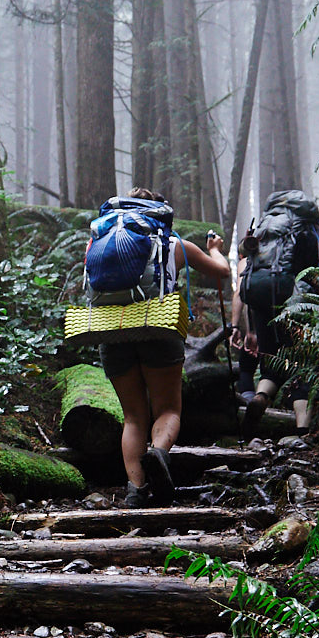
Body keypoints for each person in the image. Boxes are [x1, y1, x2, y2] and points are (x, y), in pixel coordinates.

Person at [93, 190, 230, 507]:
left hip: (111, 331)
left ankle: (136, 489)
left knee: (132, 417)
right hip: (159, 329)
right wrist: (214, 250)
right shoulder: (175, 245)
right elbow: (221, 273)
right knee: (168, 409)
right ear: (159, 212)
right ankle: (158, 452)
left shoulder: (101, 238)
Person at [229, 190, 319, 435]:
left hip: (261, 303)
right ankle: (302, 431)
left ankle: (261, 397)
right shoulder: (316, 244)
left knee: (271, 361)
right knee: (303, 366)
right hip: (295, 306)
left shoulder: (266, 242)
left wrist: (244, 327)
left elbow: (242, 286)